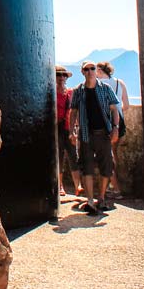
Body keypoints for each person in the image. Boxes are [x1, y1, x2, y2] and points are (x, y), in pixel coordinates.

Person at [69, 60, 120, 214]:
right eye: (87, 69)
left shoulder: (105, 88)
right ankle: (90, 201)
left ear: (95, 71)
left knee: (106, 166)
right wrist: (72, 130)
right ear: (83, 72)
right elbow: (73, 111)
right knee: (87, 167)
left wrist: (115, 128)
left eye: (92, 68)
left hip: (104, 134)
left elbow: (114, 109)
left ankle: (102, 197)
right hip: (86, 135)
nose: (90, 71)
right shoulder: (79, 91)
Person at [96, 61, 130, 198]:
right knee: (113, 153)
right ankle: (112, 186)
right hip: (119, 122)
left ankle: (115, 188)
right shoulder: (119, 83)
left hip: (105, 122)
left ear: (99, 70)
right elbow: (126, 105)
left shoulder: (98, 84)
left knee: (107, 155)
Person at [55, 65, 82, 197]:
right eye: (58, 75)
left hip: (68, 128)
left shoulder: (71, 93)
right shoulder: (52, 93)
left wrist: (75, 129)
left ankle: (78, 186)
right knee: (59, 157)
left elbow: (75, 112)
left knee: (73, 156)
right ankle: (60, 186)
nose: (61, 78)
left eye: (63, 75)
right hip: (57, 129)